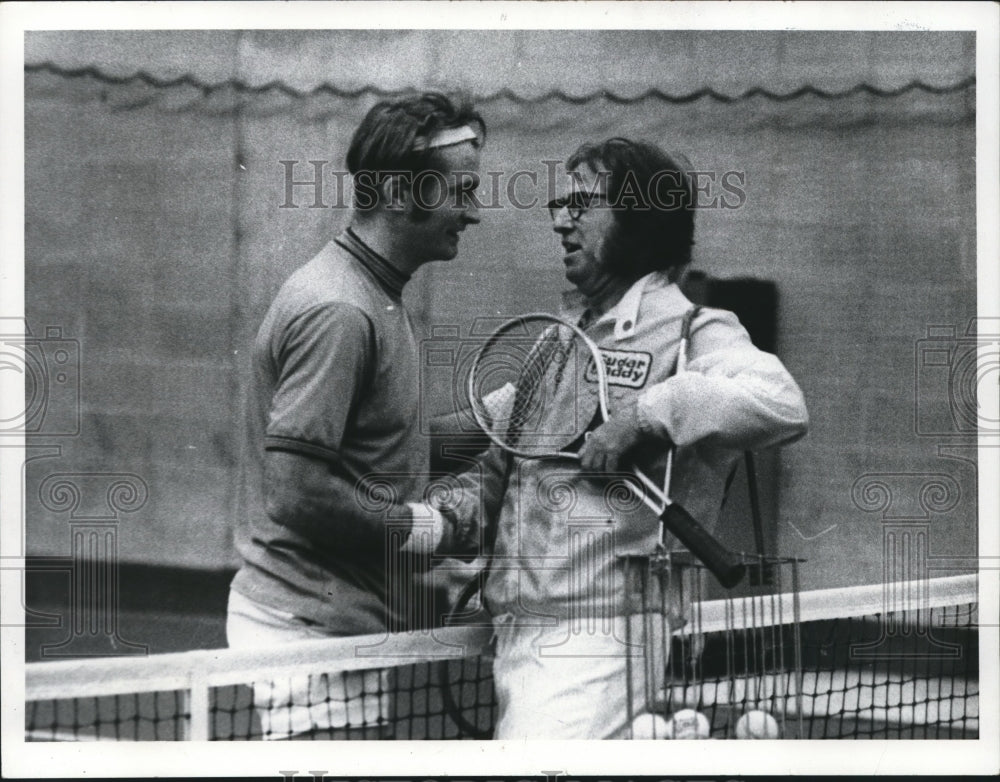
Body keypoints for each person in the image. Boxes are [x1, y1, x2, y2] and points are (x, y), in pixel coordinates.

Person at [438, 137, 809, 739]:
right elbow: (492, 458)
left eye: (582, 204)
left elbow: (782, 403)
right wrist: (411, 505)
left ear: (639, 218)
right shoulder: (559, 340)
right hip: (520, 632)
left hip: (602, 633)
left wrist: (643, 415)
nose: (561, 220)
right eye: (561, 203)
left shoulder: (692, 331)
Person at [227, 92, 484, 739]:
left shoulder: (377, 297)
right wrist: (430, 529)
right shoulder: (341, 311)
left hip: (338, 629)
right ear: (399, 193)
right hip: (308, 636)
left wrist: (501, 416)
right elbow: (296, 493)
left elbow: (391, 455)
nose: (473, 212)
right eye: (462, 192)